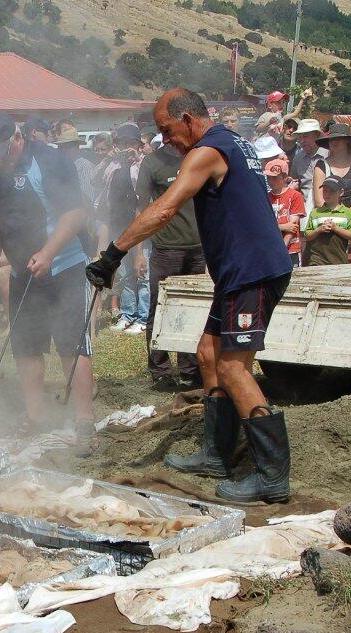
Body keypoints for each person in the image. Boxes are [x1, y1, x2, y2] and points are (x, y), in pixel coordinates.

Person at [85, 88, 294, 504]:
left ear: (186, 117)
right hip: (240, 269)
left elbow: (164, 209)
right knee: (206, 355)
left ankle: (272, 477)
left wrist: (113, 255)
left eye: (166, 129)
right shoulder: (235, 142)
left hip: (250, 271)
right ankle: (215, 454)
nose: (165, 140)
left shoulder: (207, 151)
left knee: (235, 369)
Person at [0, 114, 94, 448]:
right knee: (25, 348)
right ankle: (34, 417)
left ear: (16, 139)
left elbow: (75, 213)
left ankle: (84, 423)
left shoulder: (50, 161)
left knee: (70, 345)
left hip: (63, 267)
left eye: (0, 153)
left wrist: (48, 252)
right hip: (23, 272)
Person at [135, 127, 204, 390]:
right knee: (160, 307)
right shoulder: (152, 163)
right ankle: (160, 369)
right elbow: (141, 208)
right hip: (165, 248)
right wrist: (139, 252)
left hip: (198, 248)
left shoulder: (195, 157)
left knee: (192, 308)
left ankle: (190, 368)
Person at [100, 123, 149, 334]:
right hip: (119, 225)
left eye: (131, 143)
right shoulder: (113, 165)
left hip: (142, 225)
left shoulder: (144, 164)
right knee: (126, 273)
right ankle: (128, 314)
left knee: (143, 273)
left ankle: (144, 316)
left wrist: (136, 162)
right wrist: (112, 161)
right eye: (122, 143)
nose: (126, 147)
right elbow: (98, 182)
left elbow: (143, 190)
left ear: (138, 145)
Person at [303, 177, 351, 266]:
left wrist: (336, 228)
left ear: (341, 192)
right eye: (325, 191)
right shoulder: (315, 212)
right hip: (316, 260)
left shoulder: (348, 213)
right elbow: (307, 236)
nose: (327, 194)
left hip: (339, 260)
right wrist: (319, 229)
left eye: (332, 191)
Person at [265, 159, 305, 267]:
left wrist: (282, 248)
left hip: (290, 248)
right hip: (269, 248)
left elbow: (292, 227)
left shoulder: (295, 196)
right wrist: (282, 227)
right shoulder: (265, 197)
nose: (270, 181)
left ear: (284, 177)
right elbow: (263, 226)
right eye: (268, 177)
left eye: (274, 178)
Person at [312, 122, 351, 209]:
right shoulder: (321, 165)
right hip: (327, 218)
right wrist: (339, 215)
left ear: (347, 141)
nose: (334, 141)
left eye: (339, 138)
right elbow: (319, 201)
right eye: (331, 139)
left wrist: (349, 215)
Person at [288, 118, 324, 209]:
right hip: (305, 209)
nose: (302, 141)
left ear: (317, 136)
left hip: (326, 209)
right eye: (299, 137)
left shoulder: (328, 156)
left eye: (305, 136)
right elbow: (294, 182)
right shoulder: (298, 158)